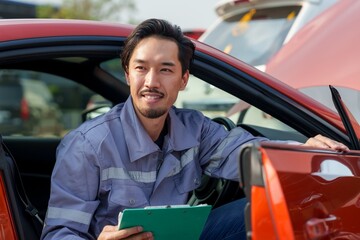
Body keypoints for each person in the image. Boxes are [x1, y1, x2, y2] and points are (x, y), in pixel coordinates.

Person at [41, 18, 349, 240]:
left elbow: (248, 154)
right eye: (141, 68)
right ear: (127, 75)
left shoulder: (195, 129)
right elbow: (59, 233)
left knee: (264, 209)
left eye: (165, 69)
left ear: (184, 79)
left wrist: (302, 150)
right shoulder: (86, 145)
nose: (151, 82)